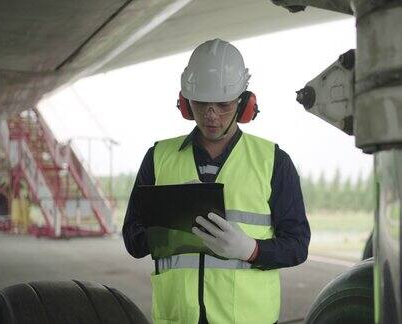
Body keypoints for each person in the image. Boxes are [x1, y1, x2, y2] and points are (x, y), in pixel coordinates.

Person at [122, 38, 310, 324]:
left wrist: (252, 250)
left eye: (222, 105)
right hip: (177, 318)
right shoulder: (158, 157)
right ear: (185, 103)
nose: (211, 115)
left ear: (243, 104)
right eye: (200, 104)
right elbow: (133, 241)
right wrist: (167, 232)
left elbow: (297, 245)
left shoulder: (273, 161)